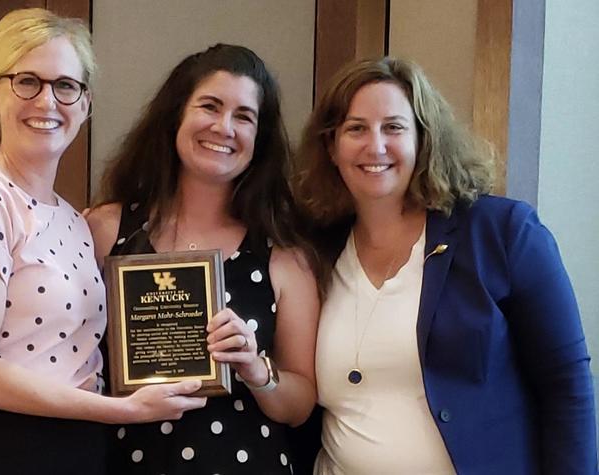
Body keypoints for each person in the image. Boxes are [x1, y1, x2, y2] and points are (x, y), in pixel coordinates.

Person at [0, 8, 205, 474]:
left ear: (85, 104)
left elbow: (54, 341)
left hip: (77, 450)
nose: (48, 102)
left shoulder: (74, 222)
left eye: (66, 86)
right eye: (27, 81)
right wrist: (125, 410)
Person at [294, 57, 598, 474]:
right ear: (331, 146)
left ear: (425, 139)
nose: (375, 146)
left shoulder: (501, 231)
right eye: (356, 128)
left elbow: (568, 386)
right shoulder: (314, 249)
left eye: (394, 127)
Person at [86, 44, 320, 473]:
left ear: (259, 138)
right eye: (209, 106)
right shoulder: (104, 230)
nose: (224, 127)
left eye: (244, 116)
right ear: (176, 115)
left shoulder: (284, 253)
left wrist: (256, 369)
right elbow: (48, 325)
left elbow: (300, 404)